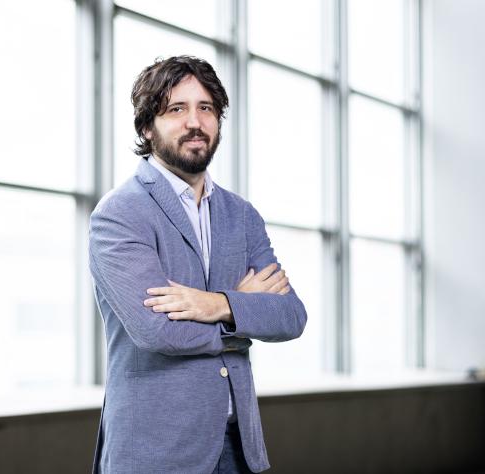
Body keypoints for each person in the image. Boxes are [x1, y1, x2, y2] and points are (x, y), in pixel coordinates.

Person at [89, 55, 308, 473]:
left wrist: (216, 304)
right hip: (157, 451)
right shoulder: (120, 213)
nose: (195, 122)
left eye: (205, 108)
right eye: (177, 109)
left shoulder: (242, 215)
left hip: (238, 447)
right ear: (147, 127)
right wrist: (241, 315)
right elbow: (156, 331)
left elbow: (290, 315)